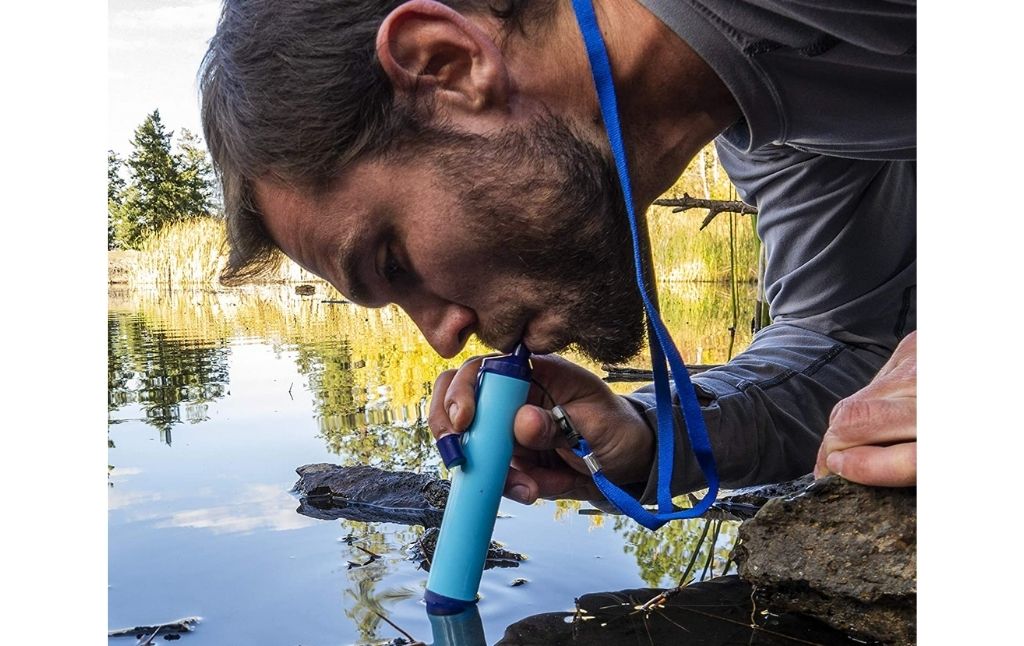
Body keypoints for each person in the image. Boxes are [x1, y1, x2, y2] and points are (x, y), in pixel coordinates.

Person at [198, 0, 916, 512]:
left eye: (392, 262)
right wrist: (645, 438)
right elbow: (849, 344)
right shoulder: (765, 130)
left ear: (445, 63)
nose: (441, 336)